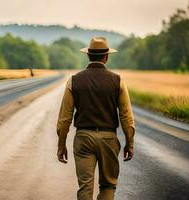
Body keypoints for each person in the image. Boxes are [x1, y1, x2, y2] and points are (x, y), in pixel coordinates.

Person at [56, 37, 135, 200]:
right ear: (106, 56)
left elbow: (65, 118)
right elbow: (126, 116)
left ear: (88, 56)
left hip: (83, 138)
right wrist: (129, 143)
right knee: (108, 185)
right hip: (109, 139)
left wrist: (61, 144)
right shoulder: (118, 81)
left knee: (85, 187)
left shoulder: (73, 81)